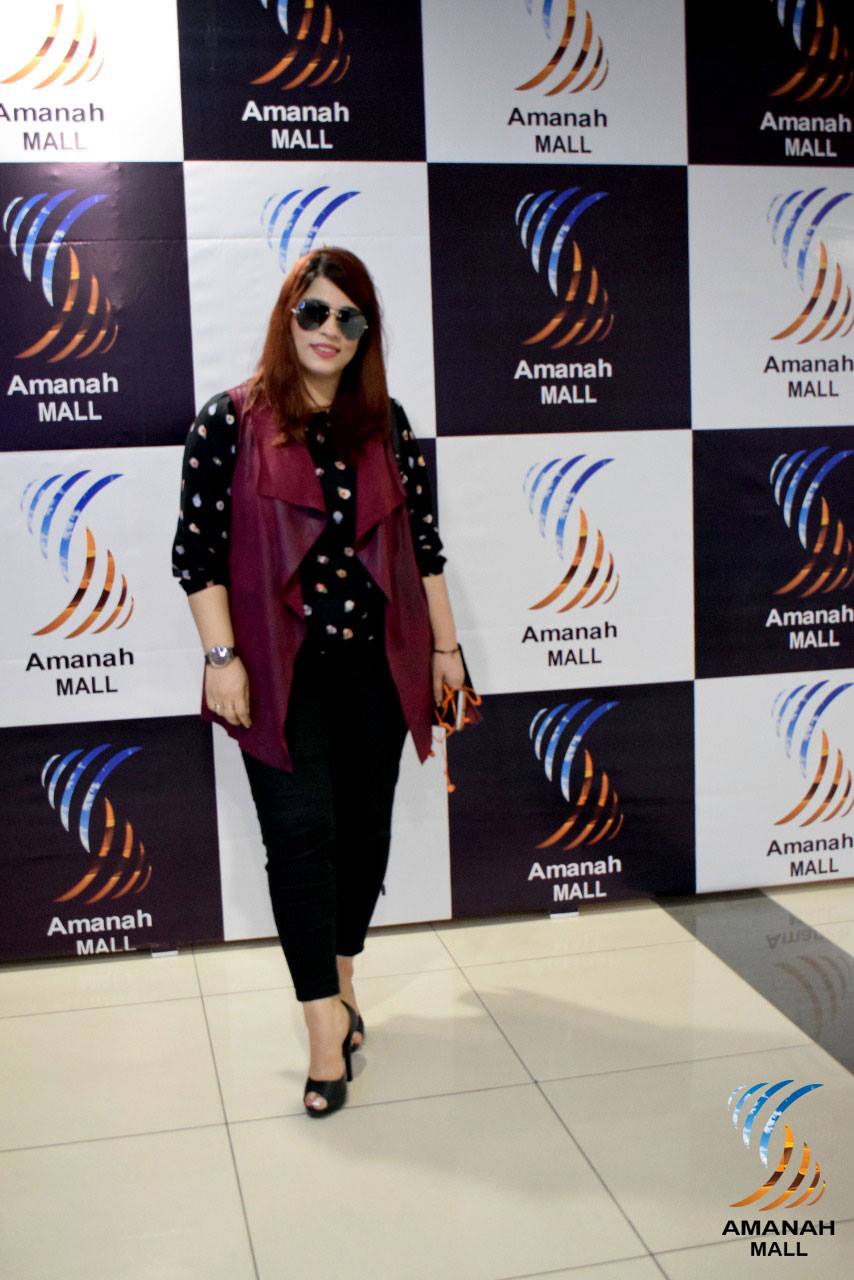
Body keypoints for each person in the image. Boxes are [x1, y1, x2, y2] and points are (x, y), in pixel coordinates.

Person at [172, 247, 464, 1117]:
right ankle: (322, 1032)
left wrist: (447, 653)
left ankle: (342, 978)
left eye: (350, 318)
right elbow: (196, 558)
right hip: (277, 670)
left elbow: (426, 549)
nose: (330, 330)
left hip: (378, 666)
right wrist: (221, 661)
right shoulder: (229, 422)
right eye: (315, 312)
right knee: (300, 838)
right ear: (287, 317)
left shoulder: (387, 424)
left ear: (365, 334)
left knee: (364, 835)